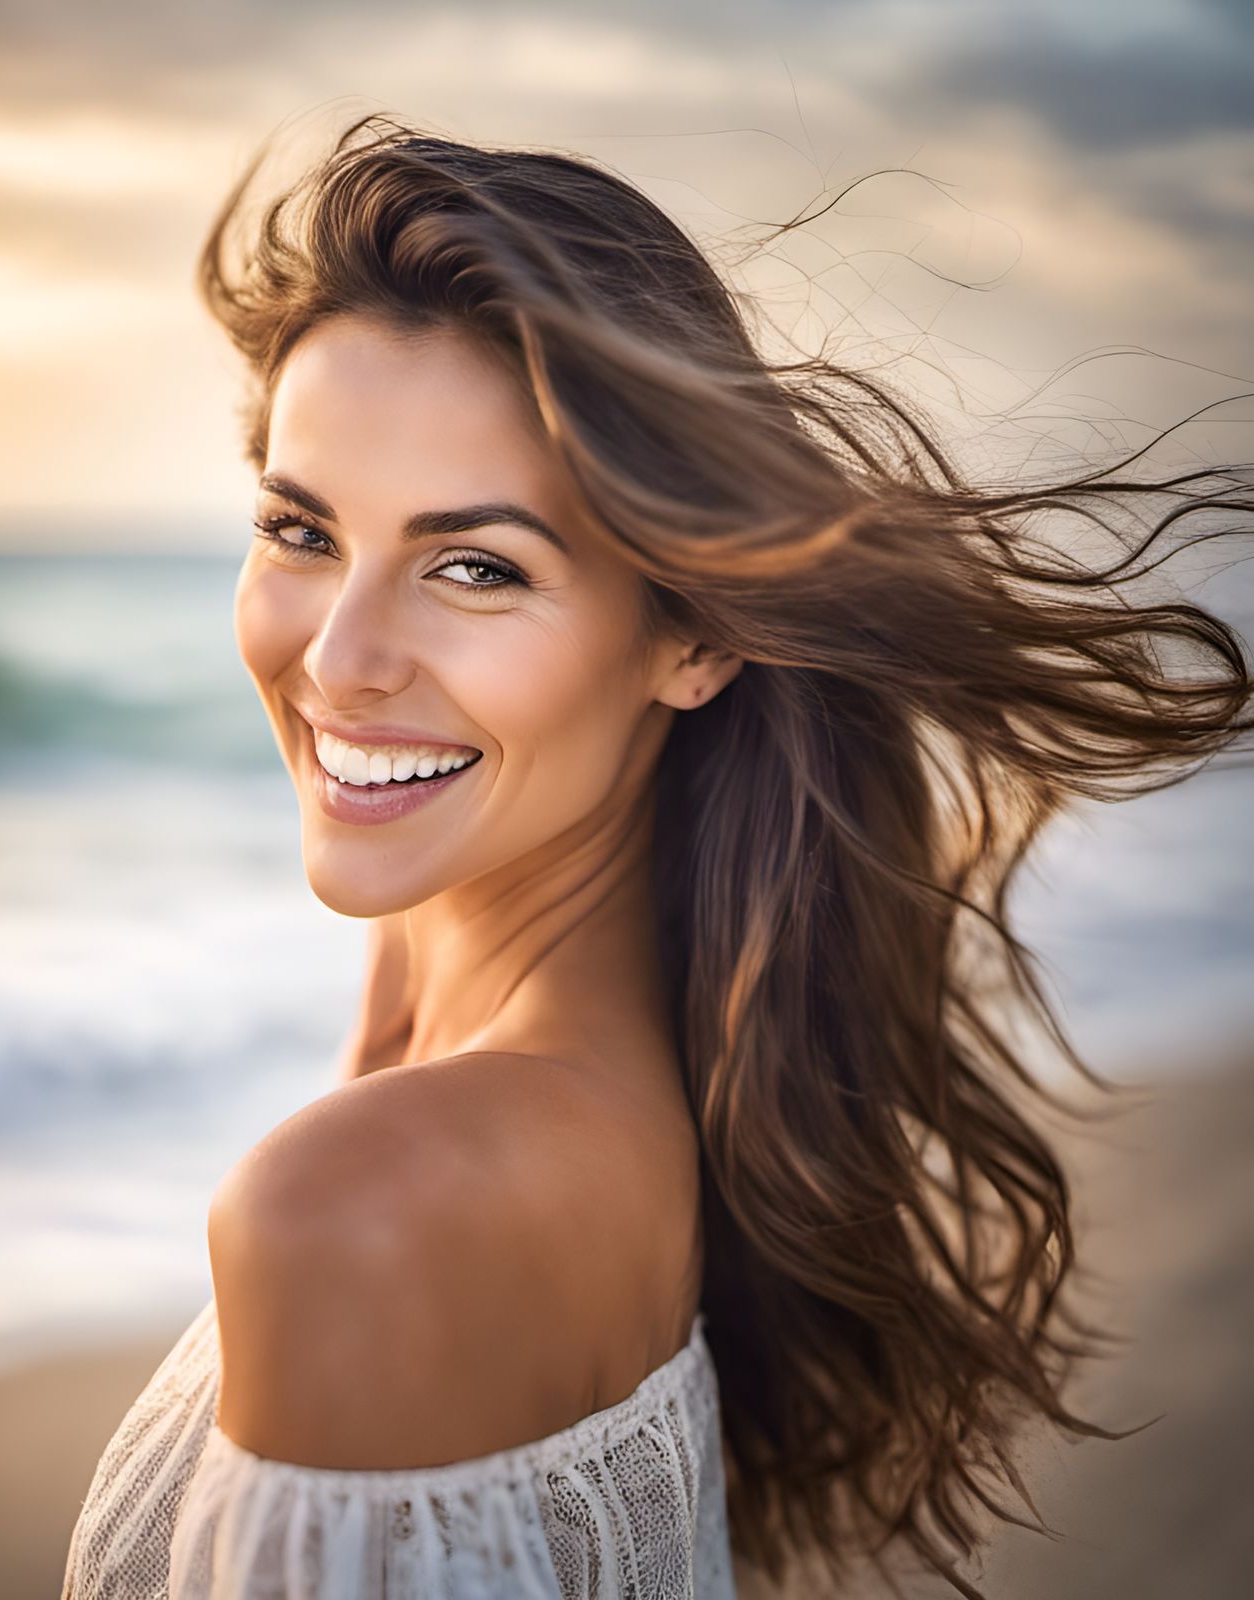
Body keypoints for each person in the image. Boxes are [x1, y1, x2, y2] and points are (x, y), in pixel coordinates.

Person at [61, 112, 1252, 1600]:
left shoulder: (372, 1203)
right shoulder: (589, 1073)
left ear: (691, 635)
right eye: (302, 531)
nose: (340, 660)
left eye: (476, 566)